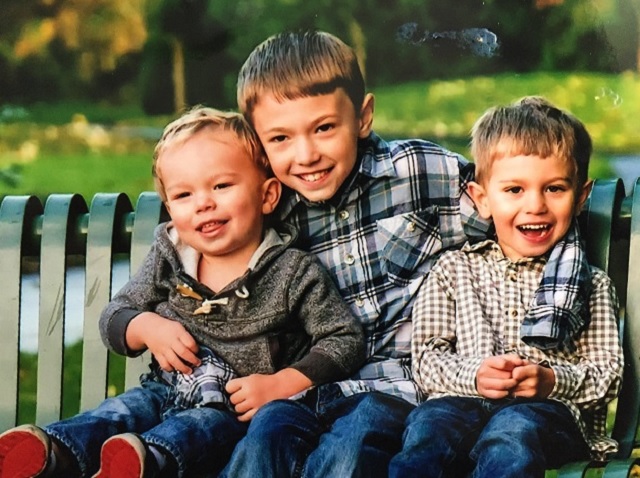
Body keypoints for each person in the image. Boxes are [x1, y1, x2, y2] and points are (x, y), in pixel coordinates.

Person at [221, 31, 594, 478]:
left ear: (363, 117)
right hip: (312, 386)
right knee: (268, 432)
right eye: (280, 139)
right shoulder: (270, 209)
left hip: (403, 390)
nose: (306, 154)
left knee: (353, 442)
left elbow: (527, 216)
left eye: (323, 128)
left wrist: (553, 311)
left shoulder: (420, 173)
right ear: (260, 144)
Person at [0, 106, 365, 478]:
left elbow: (344, 339)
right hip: (164, 387)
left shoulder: (292, 270)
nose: (203, 203)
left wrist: (281, 383)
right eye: (184, 195)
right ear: (170, 208)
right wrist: (146, 327)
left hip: (231, 411)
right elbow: (116, 314)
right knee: (119, 412)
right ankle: (51, 452)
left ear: (267, 194)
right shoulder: (171, 255)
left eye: (221, 186)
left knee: (198, 430)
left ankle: (142, 464)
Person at [388, 96, 624, 478]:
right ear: (481, 199)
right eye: (515, 190)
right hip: (463, 403)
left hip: (548, 416)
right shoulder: (453, 270)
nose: (535, 205)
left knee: (512, 432)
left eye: (555, 189)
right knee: (428, 432)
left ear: (581, 197)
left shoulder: (590, 283)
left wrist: (550, 381)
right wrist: (476, 375)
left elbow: (607, 374)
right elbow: (427, 361)